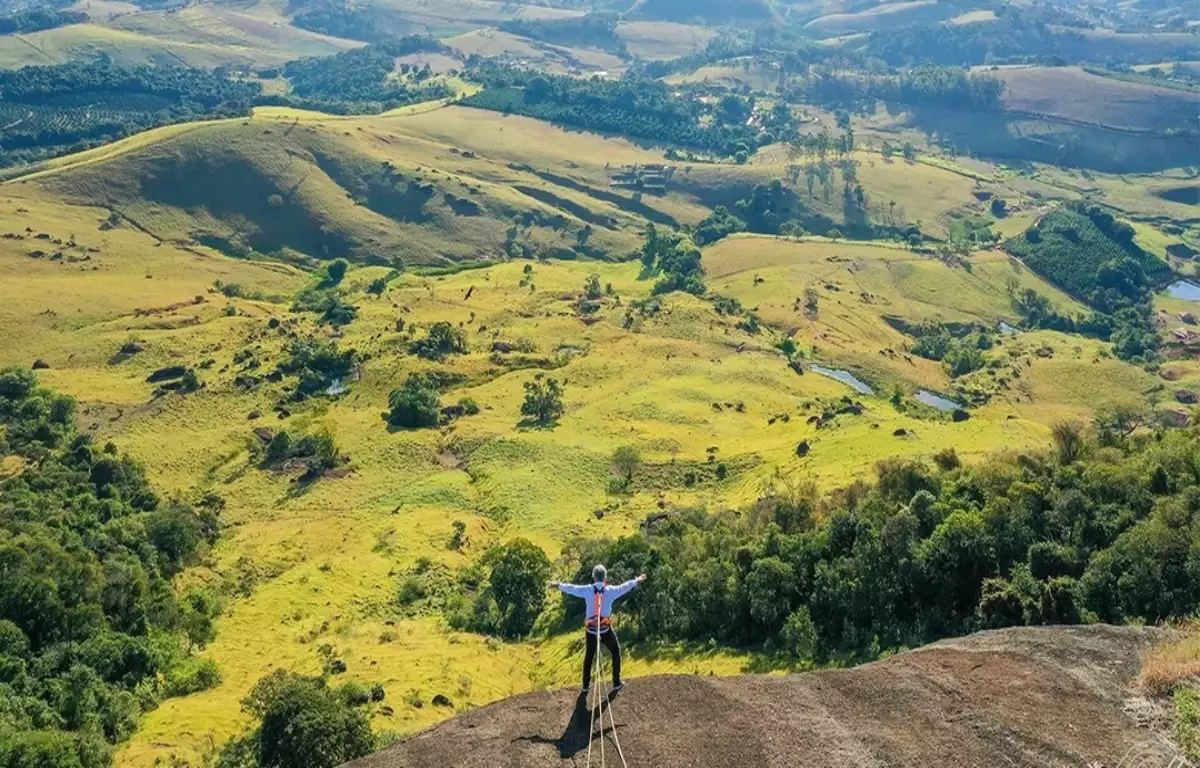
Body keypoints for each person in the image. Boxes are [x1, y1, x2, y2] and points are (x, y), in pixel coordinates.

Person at [550, 565, 646, 694]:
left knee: (589, 657)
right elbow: (625, 586)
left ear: (593, 578)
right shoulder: (611, 590)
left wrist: (558, 585)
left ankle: (585, 686)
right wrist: (638, 580)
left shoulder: (587, 590)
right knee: (616, 652)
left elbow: (572, 588)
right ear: (605, 578)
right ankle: (616, 683)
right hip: (605, 630)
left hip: (591, 631)